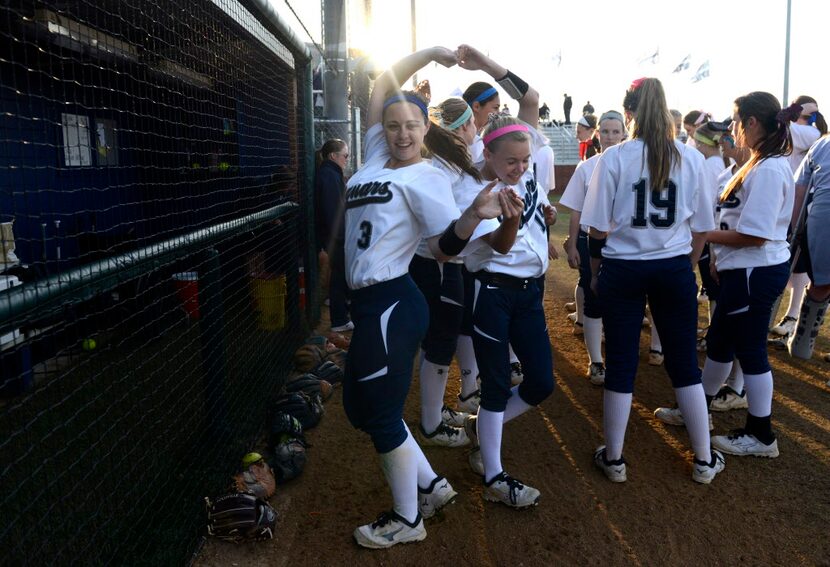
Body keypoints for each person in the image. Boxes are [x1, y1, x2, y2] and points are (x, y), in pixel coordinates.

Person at [342, 46, 517, 549]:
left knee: (377, 414)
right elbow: (382, 86)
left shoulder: (428, 176)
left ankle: (407, 518)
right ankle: (432, 485)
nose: (400, 132)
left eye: (410, 126)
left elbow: (442, 247)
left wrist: (477, 214)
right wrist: (431, 54)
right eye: (393, 124)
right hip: (369, 305)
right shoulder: (377, 157)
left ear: (426, 130)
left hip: (394, 301)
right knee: (361, 406)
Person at [582, 77, 724, 484]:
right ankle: (703, 460)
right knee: (683, 363)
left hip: (624, 268)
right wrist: (687, 262)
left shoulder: (614, 156)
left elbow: (596, 230)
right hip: (672, 267)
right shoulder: (691, 157)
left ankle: (615, 460)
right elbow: (702, 228)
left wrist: (594, 275)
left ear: (628, 112)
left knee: (622, 362)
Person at [454, 43, 557, 509]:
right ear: (489, 156)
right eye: (510, 162)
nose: (519, 168)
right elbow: (499, 245)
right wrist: (513, 222)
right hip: (492, 292)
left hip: (529, 293)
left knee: (541, 382)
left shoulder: (523, 162)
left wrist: (485, 64)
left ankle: (483, 431)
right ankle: (493, 473)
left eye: (524, 160)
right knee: (496, 384)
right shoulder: (477, 188)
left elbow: (530, 97)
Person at [412, 96, 525, 447]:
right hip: (439, 264)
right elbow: (458, 228)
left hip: (443, 264)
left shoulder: (449, 162)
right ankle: (431, 424)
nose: (477, 128)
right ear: (463, 126)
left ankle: (436, 412)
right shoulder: (447, 167)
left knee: (445, 338)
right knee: (440, 343)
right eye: (473, 123)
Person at [699, 92, 798, 459]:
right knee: (721, 342)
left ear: (752, 122)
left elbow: (756, 234)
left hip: (755, 269)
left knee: (750, 349)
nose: (734, 128)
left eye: (737, 120)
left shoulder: (770, 168)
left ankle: (761, 434)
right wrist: (717, 255)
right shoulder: (759, 162)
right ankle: (699, 406)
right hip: (743, 268)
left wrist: (704, 236)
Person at [560, 110, 626, 385]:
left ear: (624, 133)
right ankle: (596, 361)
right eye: (605, 131)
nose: (610, 137)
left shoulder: (632, 164)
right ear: (598, 134)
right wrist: (573, 243)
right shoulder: (586, 167)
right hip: (592, 242)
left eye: (615, 131)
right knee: (593, 297)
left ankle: (619, 358)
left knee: (621, 302)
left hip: (623, 244)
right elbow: (576, 210)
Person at [770, 95, 826, 339]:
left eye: (800, 114)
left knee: (800, 266)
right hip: (790, 201)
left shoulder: (812, 134)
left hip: (805, 205)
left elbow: (780, 123)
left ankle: (793, 316)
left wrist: (798, 114)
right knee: (793, 265)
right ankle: (790, 316)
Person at [787, 134, 830, 359]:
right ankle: (802, 340)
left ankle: (802, 342)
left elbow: (799, 189)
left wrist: (796, 231)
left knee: (821, 283)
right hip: (823, 221)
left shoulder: (822, 144)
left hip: (822, 223)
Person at [314, 139, 352, 331]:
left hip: (332, 236)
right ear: (333, 156)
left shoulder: (330, 173)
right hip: (334, 237)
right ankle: (340, 319)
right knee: (339, 276)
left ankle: (340, 316)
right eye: (345, 155)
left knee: (339, 275)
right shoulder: (329, 175)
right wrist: (342, 236)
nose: (347, 159)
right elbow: (332, 211)